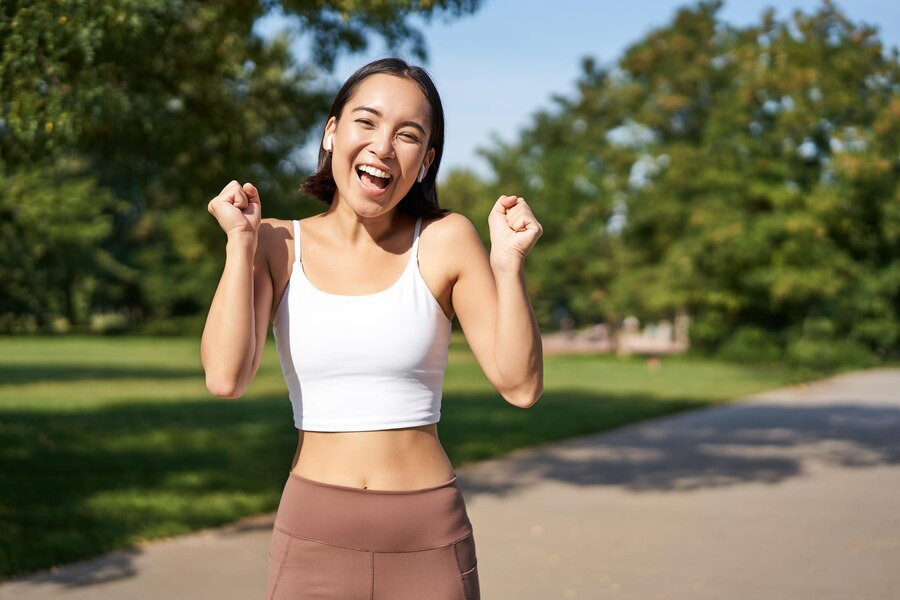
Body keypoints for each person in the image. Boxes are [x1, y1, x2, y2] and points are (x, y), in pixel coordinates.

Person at [201, 57, 543, 600]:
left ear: (425, 161)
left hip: (428, 534)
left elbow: (520, 386)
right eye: (367, 121)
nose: (384, 146)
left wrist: (509, 265)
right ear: (332, 132)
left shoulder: (446, 239)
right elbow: (225, 377)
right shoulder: (273, 243)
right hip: (313, 535)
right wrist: (238, 245)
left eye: (407, 135)